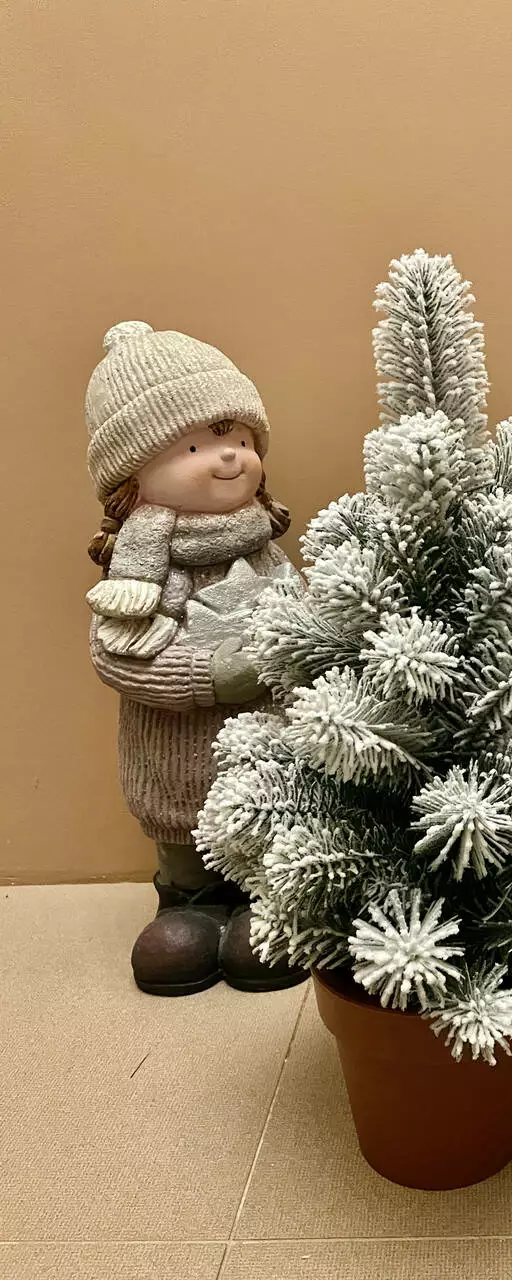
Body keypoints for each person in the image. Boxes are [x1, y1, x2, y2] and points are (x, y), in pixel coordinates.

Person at [85, 319, 307, 996]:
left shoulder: (264, 551)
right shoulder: (137, 575)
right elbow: (116, 656)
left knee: (271, 834)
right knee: (185, 844)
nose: (229, 457)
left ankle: (264, 899)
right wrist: (206, 675)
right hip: (175, 761)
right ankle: (190, 904)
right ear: (132, 476)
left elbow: (307, 620)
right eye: (191, 446)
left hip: (270, 764)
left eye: (235, 436)